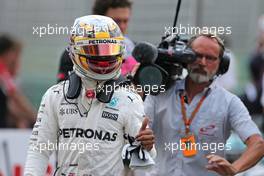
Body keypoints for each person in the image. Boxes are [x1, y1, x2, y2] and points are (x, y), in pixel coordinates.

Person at [24, 15, 155, 176]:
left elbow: (143, 164)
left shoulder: (129, 99)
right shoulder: (55, 95)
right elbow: (39, 149)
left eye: (109, 50)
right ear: (74, 51)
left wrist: (147, 147)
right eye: (95, 50)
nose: (104, 58)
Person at [143, 33, 264, 176]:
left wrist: (234, 168)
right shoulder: (159, 94)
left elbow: (258, 144)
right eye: (197, 55)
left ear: (222, 65)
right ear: (186, 58)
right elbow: (138, 131)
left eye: (211, 58)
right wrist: (143, 139)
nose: (202, 62)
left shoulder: (229, 102)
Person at [57, 0, 137, 82]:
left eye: (125, 21)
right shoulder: (75, 53)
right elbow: (65, 91)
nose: (122, 26)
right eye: (116, 21)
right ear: (98, 20)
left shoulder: (137, 51)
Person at [0, 34, 36, 128]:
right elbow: (15, 97)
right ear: (7, 53)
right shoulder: (2, 68)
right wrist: (37, 118)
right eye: (14, 54)